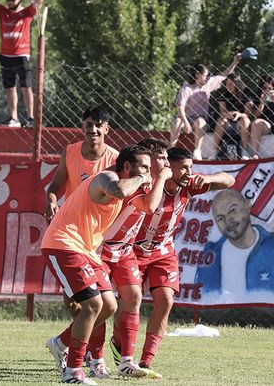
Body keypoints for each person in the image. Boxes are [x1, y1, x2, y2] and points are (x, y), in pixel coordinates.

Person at [42, 145, 152, 385]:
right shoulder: (107, 177)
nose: (147, 172)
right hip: (63, 244)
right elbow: (119, 190)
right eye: (143, 166)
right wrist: (143, 177)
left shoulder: (127, 181)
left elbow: (150, 204)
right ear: (127, 167)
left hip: (86, 250)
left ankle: (60, 343)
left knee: (109, 306)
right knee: (92, 305)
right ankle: (72, 373)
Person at [127, 147, 235, 377]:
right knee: (124, 303)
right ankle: (117, 352)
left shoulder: (189, 185)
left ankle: (146, 361)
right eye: (184, 167)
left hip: (163, 252)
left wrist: (206, 178)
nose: (189, 172)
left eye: (191, 167)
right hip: (133, 251)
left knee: (165, 300)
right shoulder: (150, 185)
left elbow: (229, 180)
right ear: (169, 167)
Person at [102, 138, 171, 378]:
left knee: (134, 297)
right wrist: (160, 178)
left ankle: (126, 362)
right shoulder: (132, 184)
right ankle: (91, 358)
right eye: (160, 158)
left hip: (124, 251)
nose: (165, 163)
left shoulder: (148, 180)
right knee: (99, 305)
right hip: (101, 248)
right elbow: (150, 207)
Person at [196, 190, 274, 303]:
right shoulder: (210, 254)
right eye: (221, 218)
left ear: (247, 206)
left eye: (232, 211)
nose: (228, 220)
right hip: (221, 314)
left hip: (266, 314)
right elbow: (206, 296)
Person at [0, 0, 43, 128]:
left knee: (26, 87)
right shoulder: (3, 12)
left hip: (21, 55)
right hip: (5, 56)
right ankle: (14, 118)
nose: (10, 2)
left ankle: (30, 118)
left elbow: (40, 1)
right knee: (10, 87)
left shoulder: (27, 13)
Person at [45, 105, 119, 220]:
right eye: (89, 125)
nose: (93, 130)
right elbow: (54, 188)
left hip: (100, 225)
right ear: (83, 128)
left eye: (98, 125)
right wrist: (52, 202)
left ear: (106, 129)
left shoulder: (115, 159)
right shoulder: (69, 152)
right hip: (72, 221)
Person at [169, 54, 241, 160]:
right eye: (205, 75)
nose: (207, 78)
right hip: (185, 117)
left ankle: (197, 151)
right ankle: (171, 150)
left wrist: (235, 62)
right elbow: (180, 108)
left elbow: (225, 74)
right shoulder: (186, 89)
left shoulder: (208, 84)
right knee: (176, 122)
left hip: (199, 118)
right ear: (198, 75)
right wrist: (186, 123)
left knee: (200, 122)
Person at [211, 74, 255, 160]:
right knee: (221, 120)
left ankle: (244, 151)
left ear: (237, 84)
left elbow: (247, 113)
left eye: (231, 84)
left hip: (241, 121)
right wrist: (227, 114)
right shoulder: (224, 94)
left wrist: (239, 114)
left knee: (244, 120)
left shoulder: (247, 93)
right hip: (228, 122)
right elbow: (222, 111)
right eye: (227, 84)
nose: (228, 86)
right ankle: (214, 152)